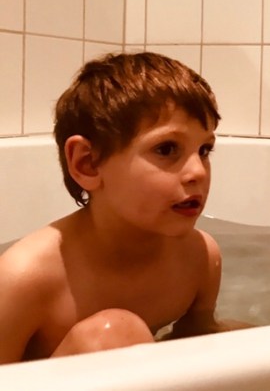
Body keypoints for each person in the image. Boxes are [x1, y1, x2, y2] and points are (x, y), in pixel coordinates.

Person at [0, 52, 247, 364]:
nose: (198, 171)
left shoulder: (200, 257)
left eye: (204, 150)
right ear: (88, 163)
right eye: (167, 149)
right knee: (113, 335)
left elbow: (198, 342)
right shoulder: (23, 279)